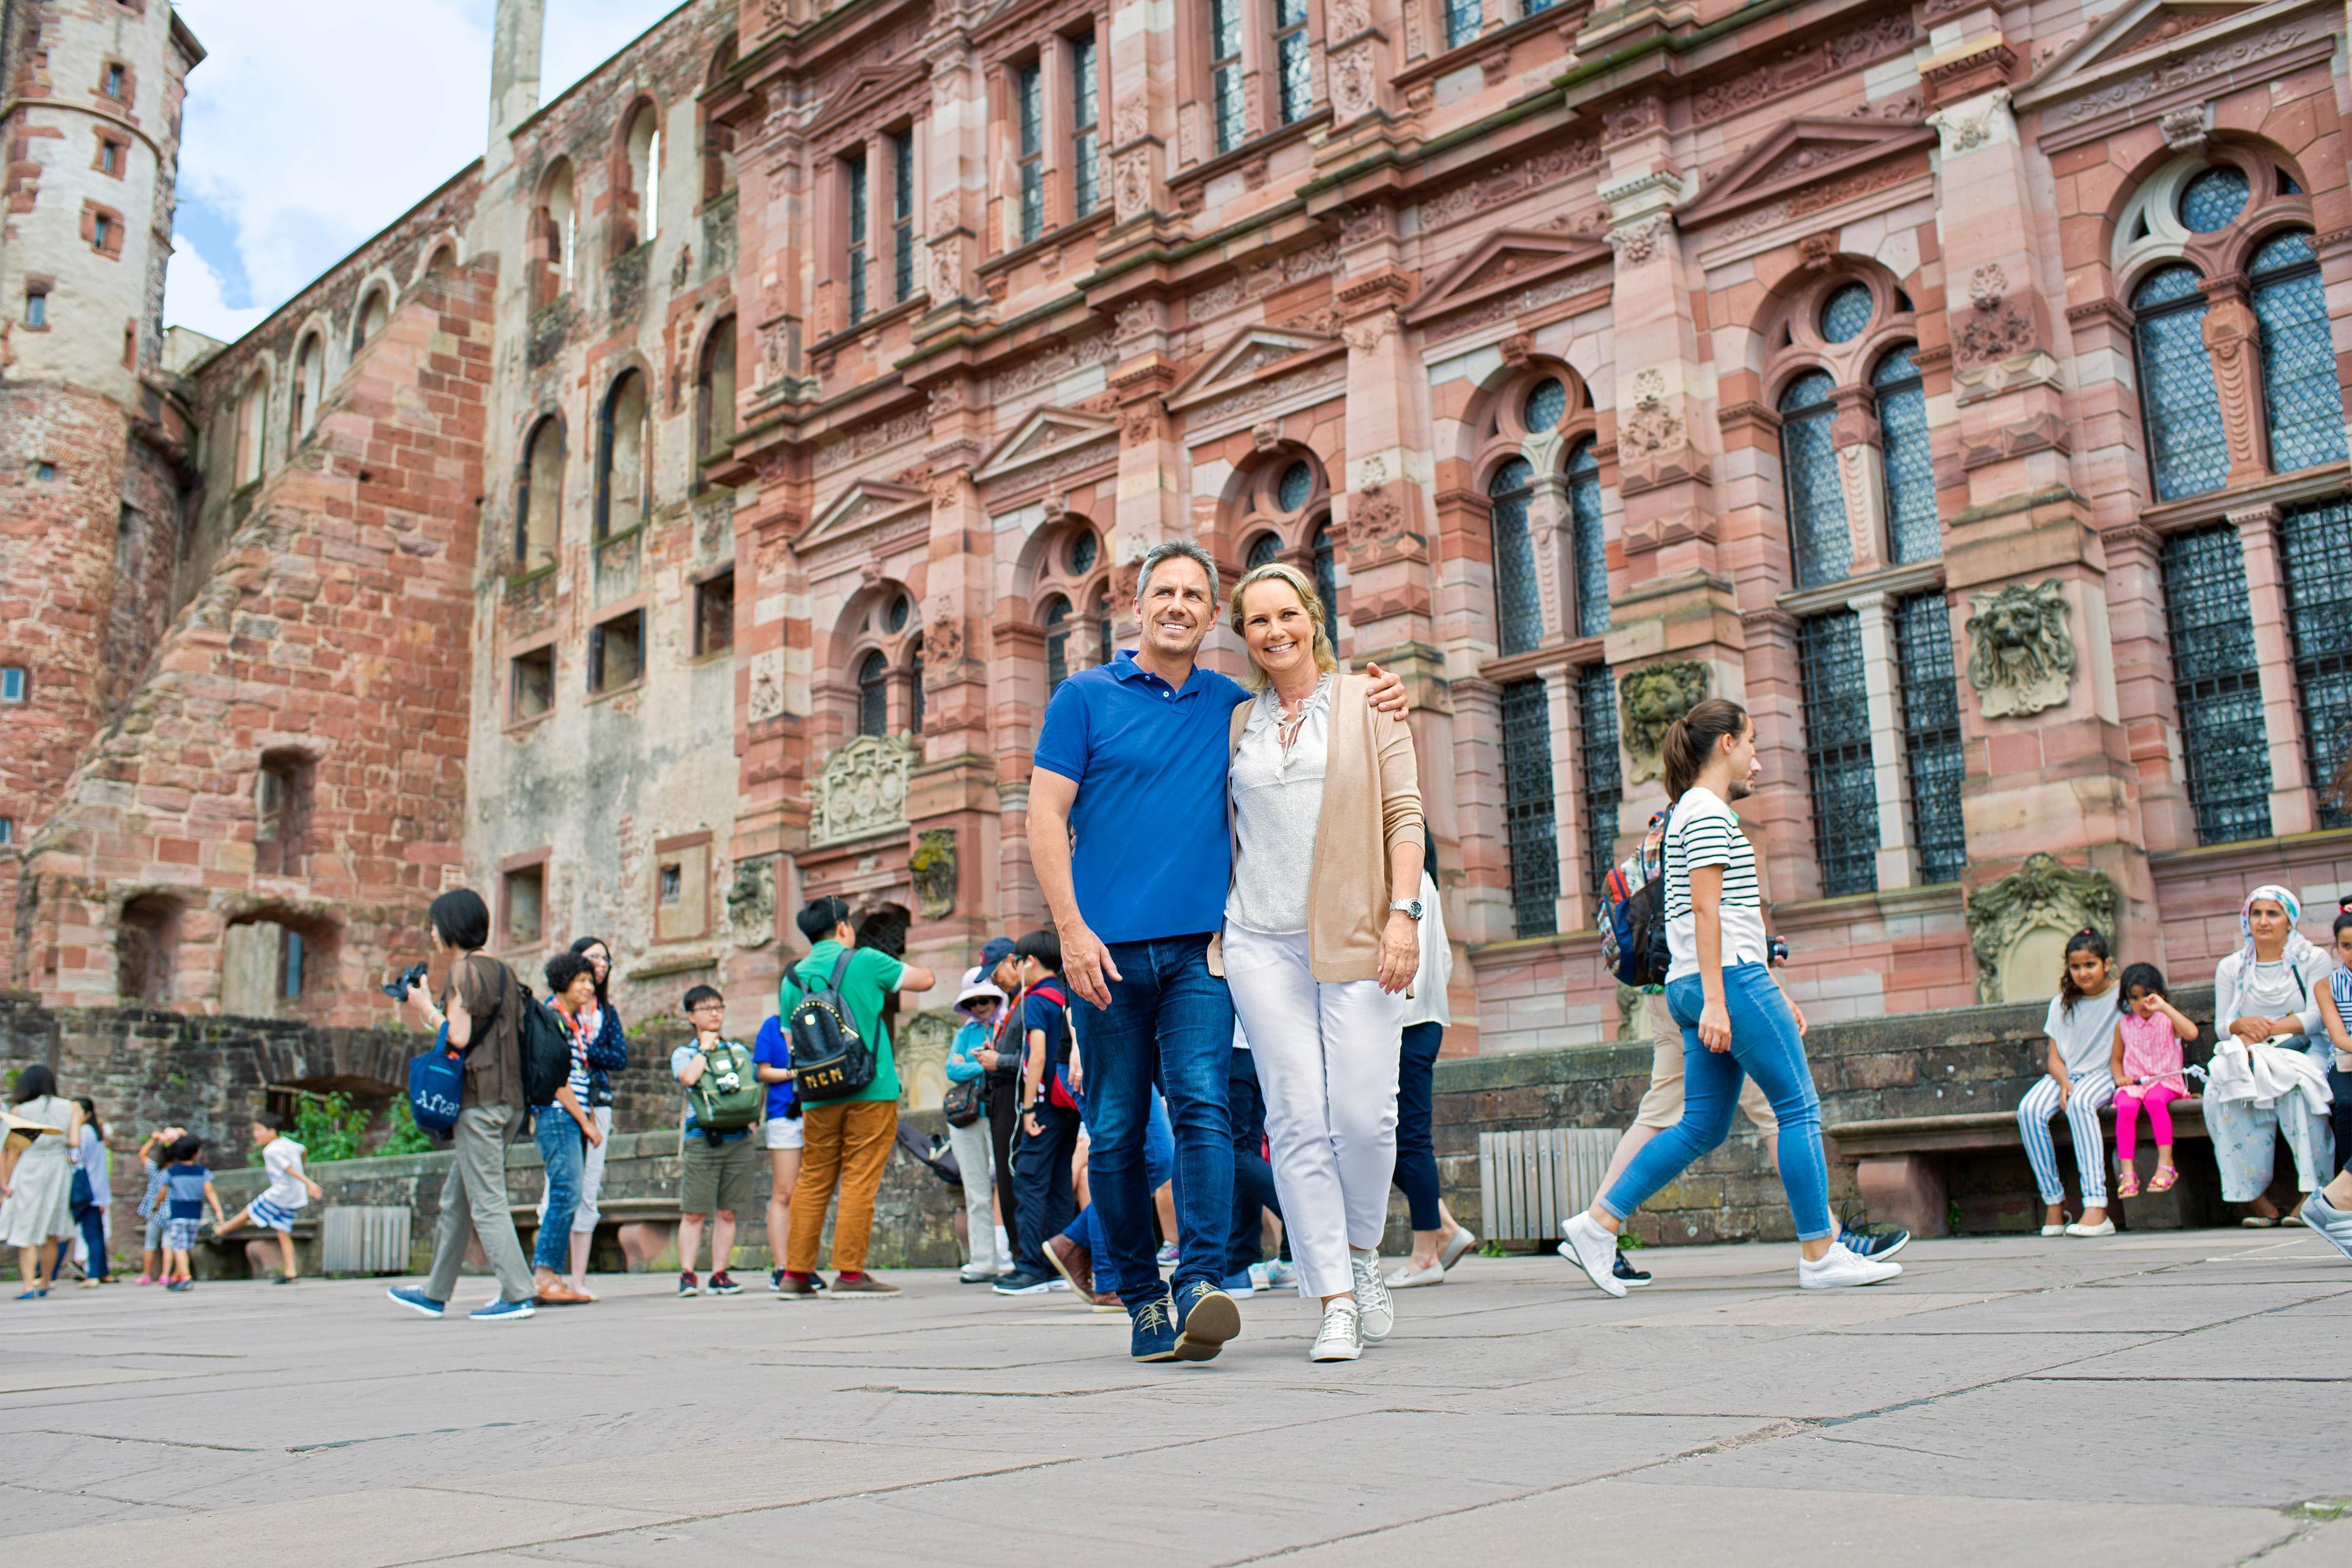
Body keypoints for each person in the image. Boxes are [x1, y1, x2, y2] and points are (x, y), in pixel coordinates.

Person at [1028, 537, 1408, 1363]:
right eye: (1164, 593)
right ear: (1138, 605)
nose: (1177, 607)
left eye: (1194, 597)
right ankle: (1140, 1296)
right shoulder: (1083, 697)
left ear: (1210, 617)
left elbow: (1313, 722)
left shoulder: (1230, 705)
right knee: (1121, 1127)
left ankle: (1201, 1279)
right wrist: (1069, 930)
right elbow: (1044, 816)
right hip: (1105, 956)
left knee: (1206, 1113)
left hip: (1205, 949)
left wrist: (1379, 696)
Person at [1559, 699, 1901, 1295]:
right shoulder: (1711, 814)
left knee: (1700, 1127)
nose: (1758, 760)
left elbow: (1724, 917)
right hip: (1725, 979)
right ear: (1723, 745)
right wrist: (1725, 1000)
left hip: (1697, 982)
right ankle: (1821, 1252)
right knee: (1798, 1108)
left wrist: (1762, 992)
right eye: (1751, 743)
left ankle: (1598, 1222)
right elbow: (1706, 911)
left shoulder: (1686, 813)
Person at [1212, 562, 1423, 1363]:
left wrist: (1403, 917)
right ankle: (1333, 1295)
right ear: (1245, 635)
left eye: (1286, 614)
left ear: (1312, 616)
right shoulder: (1239, 723)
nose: (1275, 631)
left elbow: (1405, 813)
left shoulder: (1369, 699)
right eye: (1257, 621)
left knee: (1364, 1119)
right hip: (1260, 942)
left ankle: (1363, 1253)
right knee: (1294, 1121)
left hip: (1360, 931)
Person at [387, 888, 538, 1322]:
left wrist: (423, 1008)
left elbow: (457, 1036)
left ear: (450, 925)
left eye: (434, 925)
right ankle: (435, 1292)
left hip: (479, 1102)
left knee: (487, 1199)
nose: (432, 933)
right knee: (457, 1198)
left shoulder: (464, 971)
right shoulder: (505, 972)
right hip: (509, 1101)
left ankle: (517, 1292)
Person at [774, 895, 936, 1299]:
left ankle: (795, 1273)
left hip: (816, 1092)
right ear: (844, 927)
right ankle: (850, 1274)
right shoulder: (864, 960)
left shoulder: (792, 978)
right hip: (870, 1086)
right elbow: (925, 980)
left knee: (812, 1179)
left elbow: (790, 1039)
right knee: (859, 1178)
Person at [2207, 884, 2336, 1224]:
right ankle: (2256, 1200)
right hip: (2250, 1053)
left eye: (2272, 913)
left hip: (2304, 1050)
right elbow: (2223, 1025)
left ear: (2289, 920)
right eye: (2256, 913)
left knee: (2297, 1089)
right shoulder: (2231, 967)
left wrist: (2271, 1028)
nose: (2263, 922)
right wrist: (2242, 1027)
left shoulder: (2312, 959)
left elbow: (2316, 1016)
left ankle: (2312, 1194)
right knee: (2221, 1091)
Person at [1387, 829, 1478, 1289]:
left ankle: (1427, 1253)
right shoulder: (1427, 882)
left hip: (1405, 1022)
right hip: (1424, 1021)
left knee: (1409, 1139)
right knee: (1389, 1135)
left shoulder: (1407, 884)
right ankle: (1443, 1227)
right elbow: (1442, 961)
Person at [2019, 929, 2123, 1237]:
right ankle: (2055, 1201)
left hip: (2105, 1074)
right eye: (2076, 967)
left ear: (2106, 963)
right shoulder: (2061, 1003)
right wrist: (2064, 1080)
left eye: (2090, 965)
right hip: (2066, 1074)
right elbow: (2053, 1057)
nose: (2082, 973)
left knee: (2079, 1104)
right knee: (2029, 1110)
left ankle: (2097, 1206)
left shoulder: (2121, 997)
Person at [998, 930, 1083, 1295]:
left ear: (1029, 961)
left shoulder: (1034, 999)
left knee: (1030, 1180)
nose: (1015, 968)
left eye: (1016, 961)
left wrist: (1029, 1106)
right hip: (1070, 1102)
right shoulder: (1063, 993)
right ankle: (1059, 1262)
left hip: (1047, 1101)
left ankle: (1031, 1265)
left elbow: (1038, 1055)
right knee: (1061, 1183)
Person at [547, 935, 627, 1298]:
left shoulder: (605, 1012)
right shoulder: (557, 1014)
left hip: (598, 1101)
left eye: (605, 959)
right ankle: (548, 1273)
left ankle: (576, 1279)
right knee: (560, 1190)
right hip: (565, 1107)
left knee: (587, 1191)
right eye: (593, 958)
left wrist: (590, 1054)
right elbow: (555, 1066)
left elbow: (620, 1057)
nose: (600, 965)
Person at [529, 952, 603, 1305]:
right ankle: (544, 1276)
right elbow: (556, 1079)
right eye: (582, 981)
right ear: (563, 982)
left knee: (569, 1193)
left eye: (591, 981)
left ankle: (554, 1277)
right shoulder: (550, 1018)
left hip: (568, 1116)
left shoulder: (571, 1021)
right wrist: (586, 1122)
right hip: (558, 1115)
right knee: (564, 1191)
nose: (590, 987)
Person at [672, 984, 755, 1297]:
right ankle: (688, 1274)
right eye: (707, 1009)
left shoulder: (737, 1050)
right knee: (694, 1211)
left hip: (739, 1138)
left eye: (718, 1007)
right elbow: (689, 1078)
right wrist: (705, 1049)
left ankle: (720, 1273)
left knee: (728, 1211)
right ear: (691, 1016)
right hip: (703, 1138)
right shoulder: (685, 1053)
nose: (715, 1013)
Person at [2108, 963, 2195, 1201]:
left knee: (2156, 1100)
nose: (2141, 1003)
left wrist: (2164, 1007)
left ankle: (2166, 1163)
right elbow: (2116, 1060)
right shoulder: (2124, 1025)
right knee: (2125, 1106)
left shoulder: (2167, 1019)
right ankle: (2128, 1172)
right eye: (2134, 998)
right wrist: (2120, 1078)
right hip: (2136, 1084)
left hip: (2165, 1081)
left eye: (2146, 996)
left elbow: (2191, 1033)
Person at [946, 967, 1008, 1283]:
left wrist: (972, 1062)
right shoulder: (964, 1032)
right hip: (968, 1116)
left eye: (986, 999)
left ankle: (1011, 1256)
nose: (980, 1006)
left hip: (999, 1113)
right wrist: (982, 1062)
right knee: (976, 1191)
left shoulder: (1006, 1025)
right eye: (973, 1002)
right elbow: (951, 1071)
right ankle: (983, 1260)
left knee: (1009, 1187)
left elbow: (1006, 1064)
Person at [216, 1112, 324, 1284]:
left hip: (281, 1193)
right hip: (295, 1195)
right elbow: (304, 1150)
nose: (255, 1134)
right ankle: (291, 1271)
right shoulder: (288, 1143)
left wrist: (308, 1182)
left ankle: (219, 1231)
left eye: (259, 1130)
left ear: (271, 1131)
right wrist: (303, 1170)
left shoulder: (271, 1150)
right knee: (283, 1232)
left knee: (250, 1211)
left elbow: (288, 1168)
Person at [1, 1065, 80, 1298]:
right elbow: (74, 1141)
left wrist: (4, 1182)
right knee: (51, 1228)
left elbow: (13, 1152)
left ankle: (28, 1285)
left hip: (30, 1166)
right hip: (57, 1167)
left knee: (26, 1224)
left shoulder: (21, 1110)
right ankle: (45, 1282)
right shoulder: (71, 1107)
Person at [974, 935, 1023, 1268]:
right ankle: (1022, 1256)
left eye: (997, 972)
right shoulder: (1017, 1003)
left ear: (1013, 960)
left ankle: (1027, 1257)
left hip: (1017, 1099)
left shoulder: (1033, 1000)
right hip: (1002, 1098)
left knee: (1015, 1178)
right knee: (1005, 1179)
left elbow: (1039, 1058)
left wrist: (999, 1062)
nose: (995, 981)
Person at [750, 1012, 805, 1294]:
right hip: (784, 1113)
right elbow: (762, 1071)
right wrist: (797, 1073)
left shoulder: (820, 1017)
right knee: (785, 1191)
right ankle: (782, 1265)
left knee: (810, 1192)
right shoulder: (772, 1025)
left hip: (817, 1112)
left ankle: (804, 1265)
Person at [157, 1133, 225, 1292]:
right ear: (197, 1152)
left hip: (178, 1215)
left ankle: (186, 1277)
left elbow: (162, 1193)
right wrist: (218, 1211)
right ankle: (177, 1276)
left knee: (179, 1246)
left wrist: (155, 1207)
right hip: (195, 1215)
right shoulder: (202, 1172)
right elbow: (210, 1193)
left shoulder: (172, 1172)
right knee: (186, 1246)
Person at [2314, 909, 2352, 1175]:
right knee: (2347, 1103)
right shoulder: (2326, 986)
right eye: (2346, 945)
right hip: (2345, 1060)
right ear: (2337, 947)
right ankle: (2348, 1186)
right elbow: (2339, 1037)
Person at [67, 1096, 113, 1286]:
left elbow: (76, 1159)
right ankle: (99, 1272)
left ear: (87, 1114)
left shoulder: (84, 1131)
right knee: (95, 1233)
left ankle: (46, 1273)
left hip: (85, 1191)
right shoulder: (95, 1131)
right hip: (96, 1191)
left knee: (67, 1231)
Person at [134, 1125, 183, 1285]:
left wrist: (153, 1139)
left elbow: (142, 1154)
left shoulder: (155, 1169)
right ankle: (165, 1275)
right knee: (167, 1244)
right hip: (172, 1211)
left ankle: (147, 1274)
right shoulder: (177, 1170)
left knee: (150, 1243)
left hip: (156, 1211)